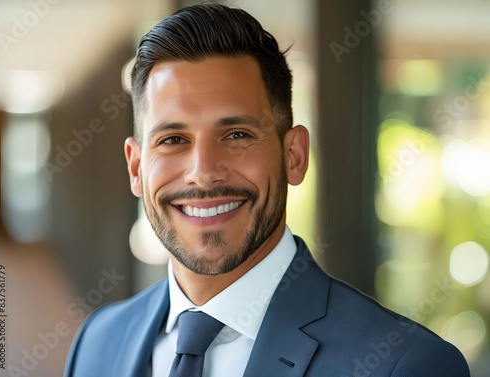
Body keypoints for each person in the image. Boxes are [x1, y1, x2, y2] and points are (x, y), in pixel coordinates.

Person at [64, 3, 470, 377]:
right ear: (136, 167)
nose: (203, 173)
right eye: (173, 140)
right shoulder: (96, 343)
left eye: (237, 134)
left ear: (293, 155)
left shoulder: (406, 364)